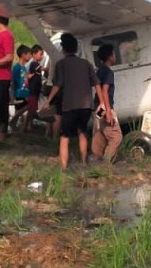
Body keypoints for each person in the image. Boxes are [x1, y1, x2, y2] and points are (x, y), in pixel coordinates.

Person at [48, 33, 97, 169]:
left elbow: (58, 85)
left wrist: (48, 101)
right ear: (76, 48)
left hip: (69, 106)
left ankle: (63, 168)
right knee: (82, 132)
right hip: (86, 106)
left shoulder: (61, 64)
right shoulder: (86, 64)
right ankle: (83, 162)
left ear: (63, 49)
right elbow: (96, 83)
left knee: (65, 137)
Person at [91, 43, 123, 163]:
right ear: (110, 56)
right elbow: (104, 90)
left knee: (100, 134)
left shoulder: (99, 70)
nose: (115, 56)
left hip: (98, 107)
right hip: (105, 106)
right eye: (114, 54)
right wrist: (108, 111)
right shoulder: (108, 72)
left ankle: (95, 159)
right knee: (116, 136)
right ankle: (106, 163)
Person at [8, 45, 32, 129]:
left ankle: (15, 126)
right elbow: (13, 82)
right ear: (23, 55)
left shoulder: (25, 68)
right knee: (21, 110)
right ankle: (12, 123)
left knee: (25, 109)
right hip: (19, 93)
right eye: (28, 54)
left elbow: (24, 80)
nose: (30, 56)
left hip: (25, 92)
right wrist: (12, 95)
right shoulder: (16, 67)